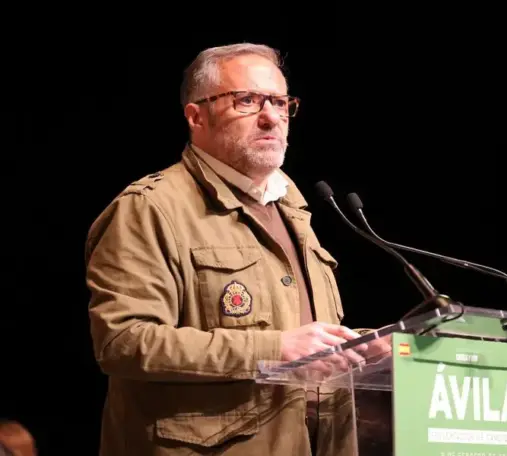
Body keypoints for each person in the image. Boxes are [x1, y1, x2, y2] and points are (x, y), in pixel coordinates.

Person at [85, 43, 389, 456]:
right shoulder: (151, 208)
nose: (270, 117)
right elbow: (123, 341)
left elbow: (304, 334)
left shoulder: (292, 208)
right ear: (196, 116)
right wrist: (276, 351)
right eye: (246, 101)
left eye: (280, 103)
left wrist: (361, 347)